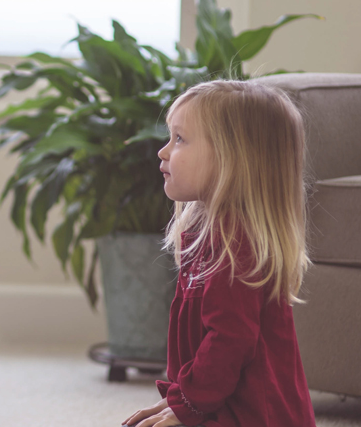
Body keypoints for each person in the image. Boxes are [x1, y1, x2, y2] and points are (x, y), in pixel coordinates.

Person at [123, 80, 317, 427]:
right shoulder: (210, 231)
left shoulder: (237, 244)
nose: (163, 152)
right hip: (220, 403)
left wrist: (188, 408)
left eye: (179, 139)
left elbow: (230, 340)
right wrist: (179, 401)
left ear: (231, 158)